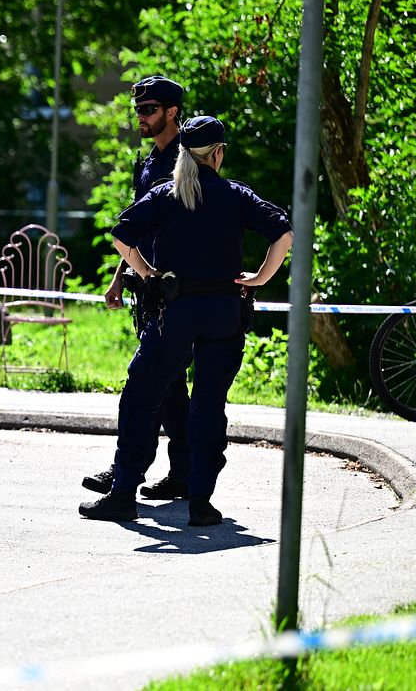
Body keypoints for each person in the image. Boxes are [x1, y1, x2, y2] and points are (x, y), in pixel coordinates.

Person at [79, 116, 293, 526]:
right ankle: (201, 502)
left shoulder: (165, 194)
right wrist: (260, 278)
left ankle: (123, 494)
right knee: (209, 406)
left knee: (142, 397)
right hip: (224, 314)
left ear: (182, 154)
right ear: (218, 153)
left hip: (173, 313)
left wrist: (147, 274)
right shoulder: (236, 196)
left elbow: (122, 235)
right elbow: (283, 234)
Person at [84, 75, 193, 501]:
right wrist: (119, 277)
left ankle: (126, 471)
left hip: (174, 289)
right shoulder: (149, 162)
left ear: (172, 112)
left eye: (149, 110)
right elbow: (137, 226)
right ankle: (183, 472)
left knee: (146, 384)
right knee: (171, 388)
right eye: (138, 111)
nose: (141, 118)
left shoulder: (188, 160)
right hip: (147, 287)